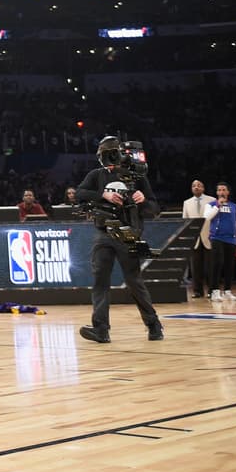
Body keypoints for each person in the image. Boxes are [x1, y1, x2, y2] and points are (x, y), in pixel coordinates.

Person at [76, 136, 164, 344]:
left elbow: (155, 209)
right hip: (104, 233)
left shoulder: (137, 176)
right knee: (100, 281)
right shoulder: (96, 175)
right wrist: (102, 195)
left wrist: (143, 201)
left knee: (133, 281)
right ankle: (101, 329)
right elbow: (79, 193)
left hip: (128, 233)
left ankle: (153, 325)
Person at [204, 183, 236, 303]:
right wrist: (218, 205)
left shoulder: (234, 207)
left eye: (224, 190)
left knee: (229, 265)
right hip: (217, 237)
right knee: (217, 263)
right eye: (219, 190)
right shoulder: (211, 205)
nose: (221, 192)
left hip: (231, 238)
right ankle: (215, 291)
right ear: (217, 193)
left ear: (228, 192)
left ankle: (227, 291)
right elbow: (207, 217)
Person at [181, 179, 214, 299]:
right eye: (194, 185)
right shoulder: (187, 203)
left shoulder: (211, 200)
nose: (196, 187)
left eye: (199, 185)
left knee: (210, 267)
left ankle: (212, 291)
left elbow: (215, 219)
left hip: (209, 237)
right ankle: (198, 291)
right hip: (194, 238)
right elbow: (185, 221)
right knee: (196, 267)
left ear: (203, 188)